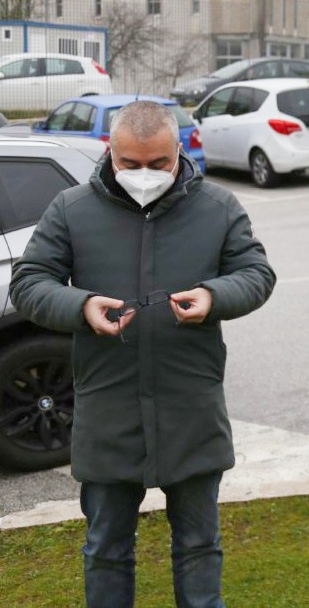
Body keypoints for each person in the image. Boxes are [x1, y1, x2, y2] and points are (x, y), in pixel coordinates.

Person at [11, 101, 276, 608]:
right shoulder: (71, 208)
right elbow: (29, 282)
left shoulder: (218, 207)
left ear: (178, 151)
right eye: (130, 163)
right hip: (108, 411)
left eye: (158, 163)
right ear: (111, 152)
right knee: (106, 549)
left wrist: (215, 296)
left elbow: (256, 274)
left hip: (191, 409)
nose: (144, 174)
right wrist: (81, 305)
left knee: (199, 546)